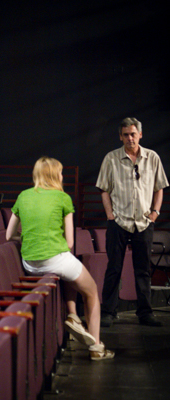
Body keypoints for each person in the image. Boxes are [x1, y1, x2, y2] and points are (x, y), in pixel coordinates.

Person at [6, 156, 114, 361]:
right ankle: (97, 347)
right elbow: (71, 243)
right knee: (91, 292)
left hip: (29, 263)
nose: (63, 176)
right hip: (55, 258)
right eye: (61, 172)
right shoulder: (63, 198)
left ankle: (72, 315)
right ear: (55, 175)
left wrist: (29, 237)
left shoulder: (23, 196)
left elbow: (9, 235)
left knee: (69, 273)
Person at [96, 117, 169, 327]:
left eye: (133, 134)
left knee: (143, 269)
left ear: (140, 135)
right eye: (126, 134)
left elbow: (159, 188)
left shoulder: (152, 157)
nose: (130, 138)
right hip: (118, 221)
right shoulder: (111, 158)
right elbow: (103, 189)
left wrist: (155, 213)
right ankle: (109, 311)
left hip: (144, 222)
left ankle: (145, 312)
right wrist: (110, 215)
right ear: (120, 136)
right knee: (114, 268)